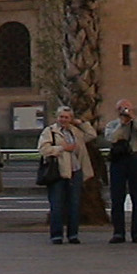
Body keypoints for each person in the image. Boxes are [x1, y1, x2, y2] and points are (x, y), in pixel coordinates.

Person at [37, 105, 96, 244]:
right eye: (61, 117)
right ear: (57, 117)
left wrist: (81, 123)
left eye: (67, 117)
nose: (63, 120)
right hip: (58, 173)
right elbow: (43, 149)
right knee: (57, 204)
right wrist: (62, 148)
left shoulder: (76, 132)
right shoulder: (50, 131)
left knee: (74, 204)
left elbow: (91, 135)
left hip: (75, 171)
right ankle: (56, 235)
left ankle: (73, 234)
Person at [103, 98, 137, 244]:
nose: (124, 111)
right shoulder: (112, 124)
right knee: (117, 197)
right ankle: (118, 232)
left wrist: (133, 119)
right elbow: (111, 138)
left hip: (136, 158)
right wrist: (121, 124)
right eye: (121, 109)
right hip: (119, 161)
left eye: (126, 108)